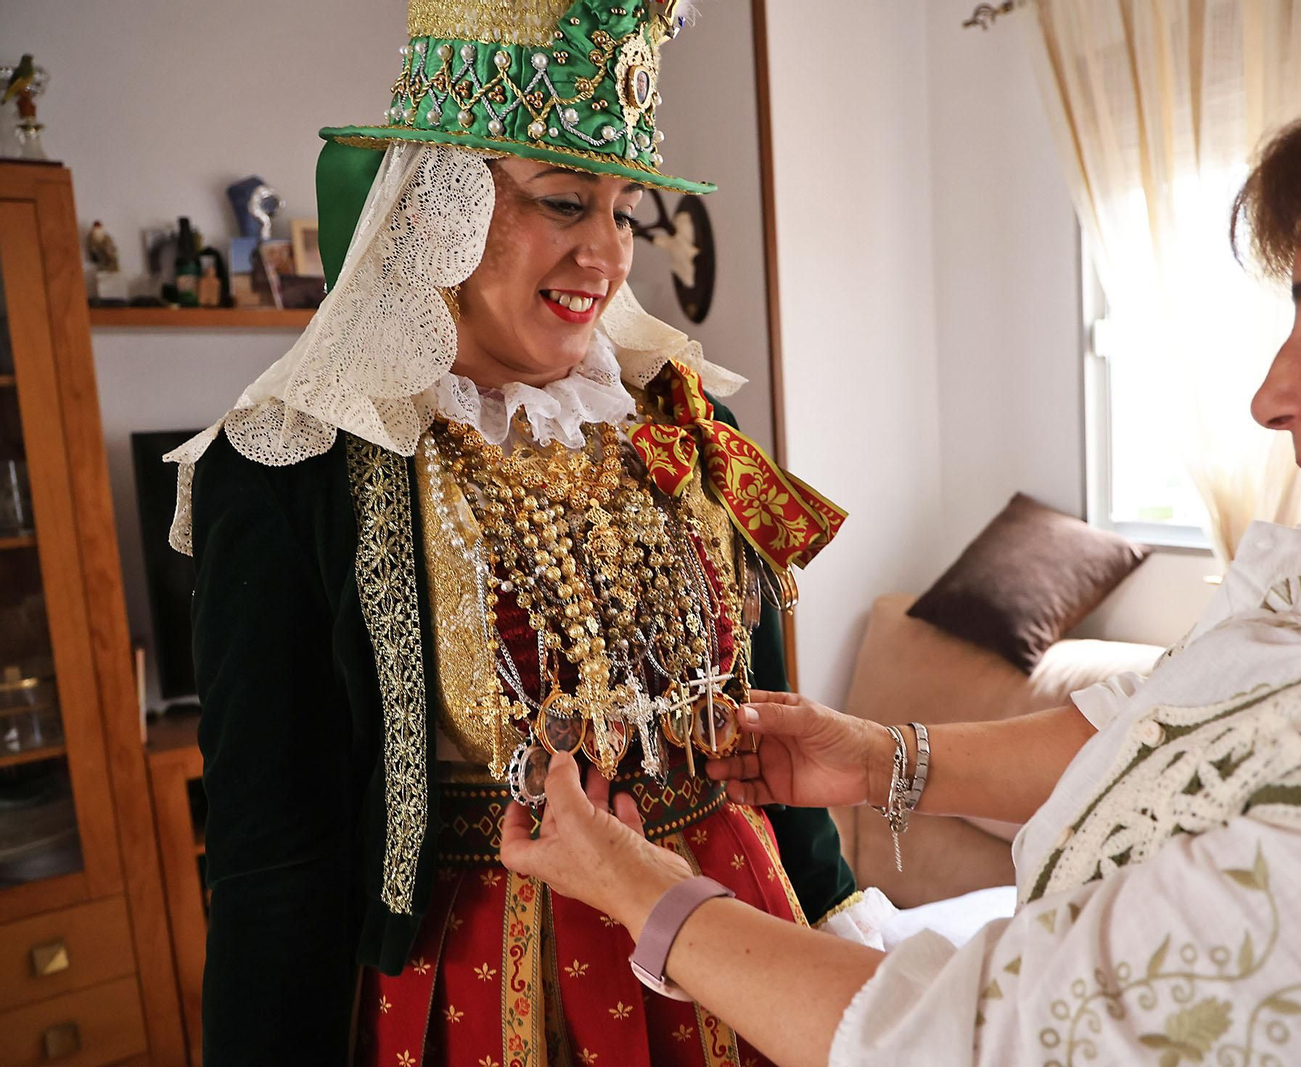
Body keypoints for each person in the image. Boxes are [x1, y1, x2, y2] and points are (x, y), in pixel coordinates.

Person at [499, 3, 1301, 1064]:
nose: (1270, 395)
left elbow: (981, 1039)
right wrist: (882, 756)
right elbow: (1177, 721)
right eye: (561, 202)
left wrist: (642, 888)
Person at [169, 1, 883, 1063]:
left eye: (622, 212)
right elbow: (274, 859)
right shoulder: (293, 471)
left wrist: (829, 903)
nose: (604, 253)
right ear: (435, 205)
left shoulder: (685, 424)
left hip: (738, 945)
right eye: (563, 202)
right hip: (495, 992)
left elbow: (758, 718)